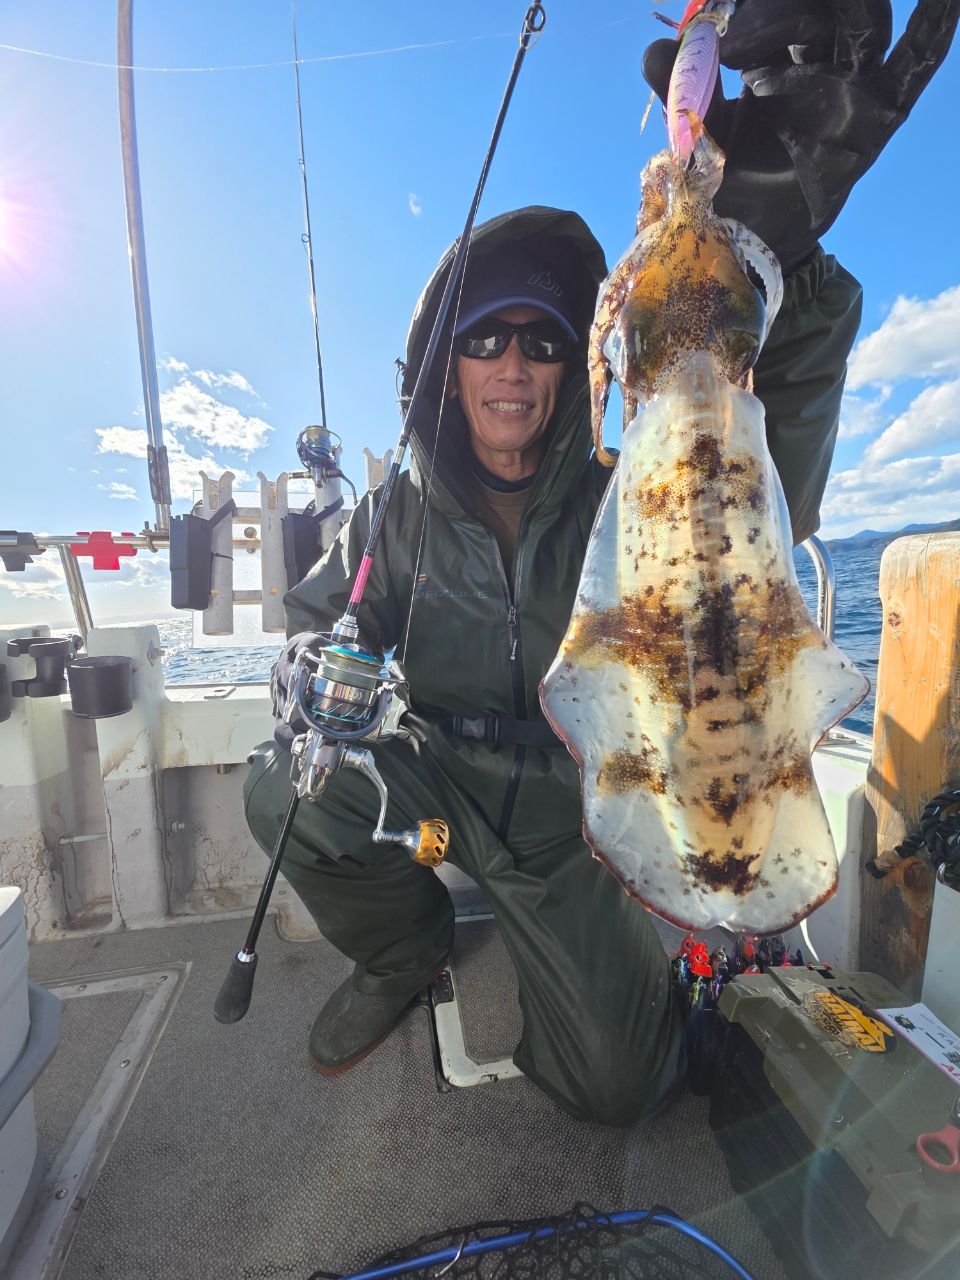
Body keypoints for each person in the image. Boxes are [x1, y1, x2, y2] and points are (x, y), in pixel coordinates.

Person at [244, 0, 958, 1125]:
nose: (514, 365)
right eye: (484, 338)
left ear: (579, 357)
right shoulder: (391, 513)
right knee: (286, 788)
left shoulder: (638, 480)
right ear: (447, 360)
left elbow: (780, 478)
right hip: (430, 772)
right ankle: (402, 949)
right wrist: (303, 670)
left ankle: (615, 975)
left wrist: (784, 266)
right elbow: (313, 618)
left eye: (540, 337)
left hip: (566, 810)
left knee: (620, 1085)